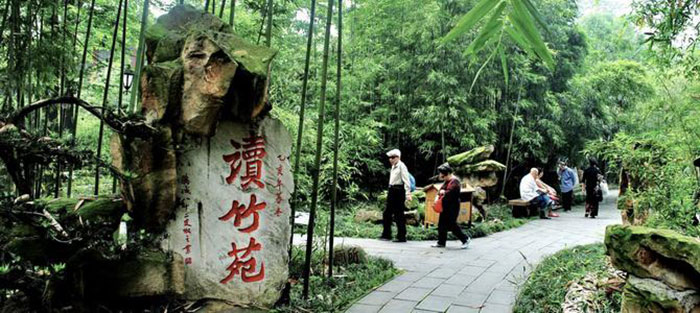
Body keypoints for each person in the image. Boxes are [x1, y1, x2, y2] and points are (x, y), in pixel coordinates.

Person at [431, 163, 470, 249]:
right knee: (441, 224)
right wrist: (440, 193)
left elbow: (452, 192)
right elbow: (441, 189)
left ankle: (465, 239)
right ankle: (441, 242)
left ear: (448, 173)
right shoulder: (447, 181)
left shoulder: (455, 181)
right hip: (445, 205)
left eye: (443, 175)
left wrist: (444, 192)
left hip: (453, 206)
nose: (442, 177)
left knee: (451, 224)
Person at [381, 149, 412, 242]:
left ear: (398, 157)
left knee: (399, 214)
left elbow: (406, 181)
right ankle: (386, 234)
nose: (391, 159)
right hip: (392, 190)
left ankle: (401, 236)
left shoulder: (402, 166)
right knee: (387, 213)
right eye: (390, 157)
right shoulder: (393, 166)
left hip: (398, 191)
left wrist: (408, 194)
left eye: (393, 157)